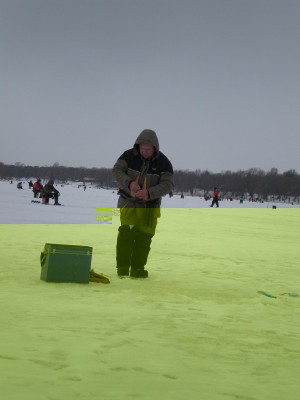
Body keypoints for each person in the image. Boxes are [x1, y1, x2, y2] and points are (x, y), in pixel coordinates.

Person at [112, 129, 174, 278]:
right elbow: (116, 171)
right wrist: (129, 183)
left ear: (155, 148)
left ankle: (137, 269)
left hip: (149, 208)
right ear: (138, 146)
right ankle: (122, 268)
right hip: (129, 205)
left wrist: (149, 193)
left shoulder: (164, 163)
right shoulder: (128, 156)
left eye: (148, 149)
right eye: (143, 148)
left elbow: (168, 184)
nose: (145, 152)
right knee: (127, 234)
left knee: (144, 238)